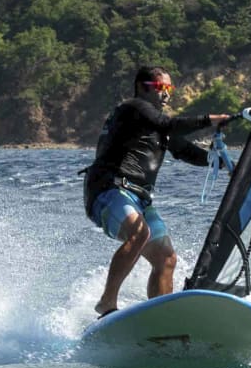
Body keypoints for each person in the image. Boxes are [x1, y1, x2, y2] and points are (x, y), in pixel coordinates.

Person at [83, 65, 230, 317]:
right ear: (142, 87)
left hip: (139, 197)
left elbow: (186, 151)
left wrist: (226, 163)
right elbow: (168, 124)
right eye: (161, 87)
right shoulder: (133, 109)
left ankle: (161, 317)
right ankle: (106, 302)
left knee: (166, 258)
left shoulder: (158, 128)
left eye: (169, 88)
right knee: (140, 233)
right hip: (109, 190)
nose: (167, 94)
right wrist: (211, 119)